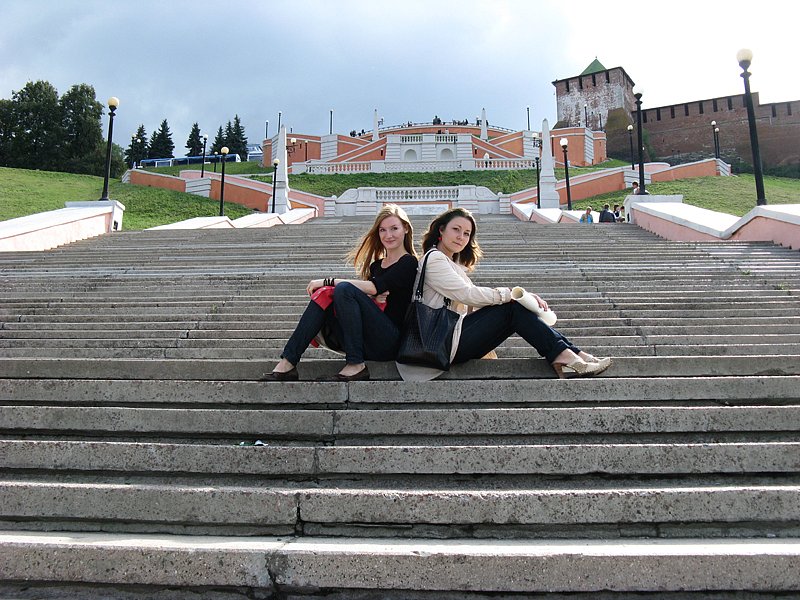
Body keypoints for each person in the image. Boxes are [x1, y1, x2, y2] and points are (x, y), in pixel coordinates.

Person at [397, 208, 612, 382]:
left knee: (513, 307)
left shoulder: (451, 264)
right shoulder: (434, 259)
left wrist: (521, 298)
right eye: (456, 229)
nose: (461, 237)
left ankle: (573, 353)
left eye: (467, 233)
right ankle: (566, 356)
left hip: (451, 339)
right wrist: (510, 294)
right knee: (511, 308)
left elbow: (474, 305)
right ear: (441, 230)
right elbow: (467, 295)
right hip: (437, 342)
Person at [264, 204, 418, 382]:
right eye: (382, 230)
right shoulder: (376, 266)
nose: (388, 235)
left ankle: (356, 365)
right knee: (326, 296)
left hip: (389, 341)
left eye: (394, 228)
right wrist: (370, 296)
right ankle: (288, 362)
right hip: (365, 339)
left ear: (406, 228)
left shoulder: (409, 262)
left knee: (343, 289)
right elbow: (372, 294)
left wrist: (328, 281)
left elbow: (375, 287)